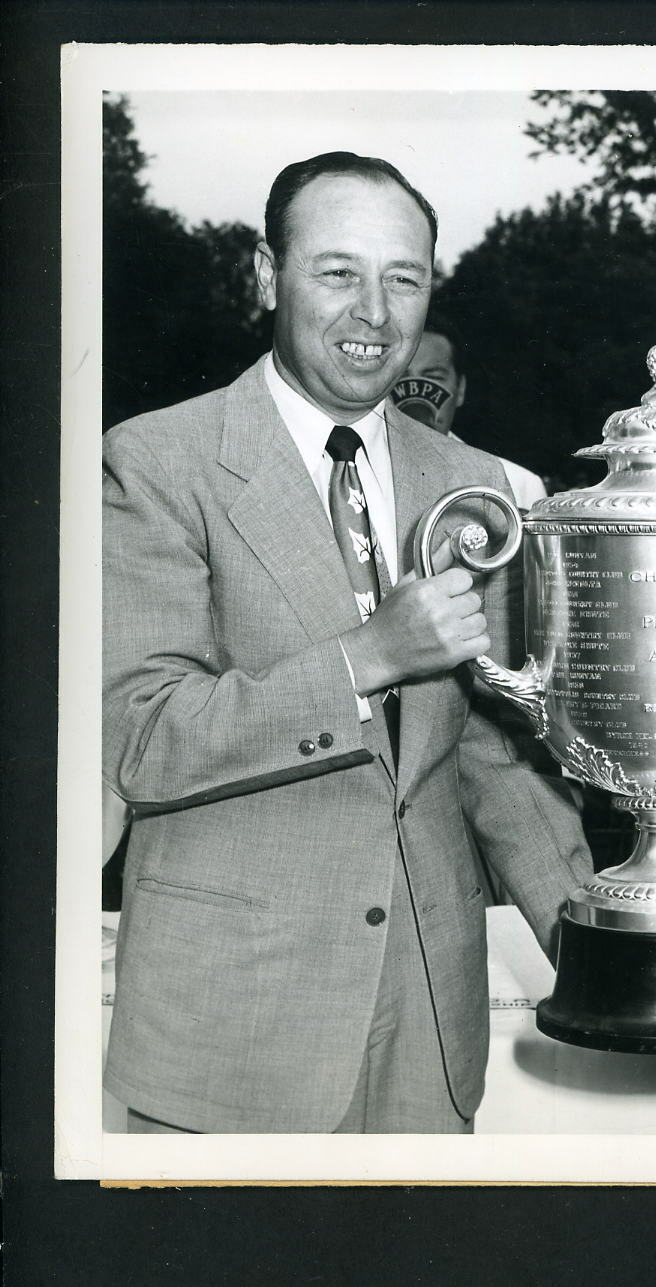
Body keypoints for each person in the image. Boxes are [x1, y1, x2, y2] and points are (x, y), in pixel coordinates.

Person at [102, 152, 591, 1133]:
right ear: (264, 275)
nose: (373, 312)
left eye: (401, 279)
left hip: (428, 1031)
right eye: (337, 273)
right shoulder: (157, 461)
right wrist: (366, 657)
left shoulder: (478, 483)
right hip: (232, 1032)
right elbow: (141, 740)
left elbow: (494, 756)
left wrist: (603, 954)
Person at [393, 325, 548, 510]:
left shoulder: (518, 485)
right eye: (401, 376)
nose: (415, 390)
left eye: (434, 377)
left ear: (461, 390)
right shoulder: (353, 477)